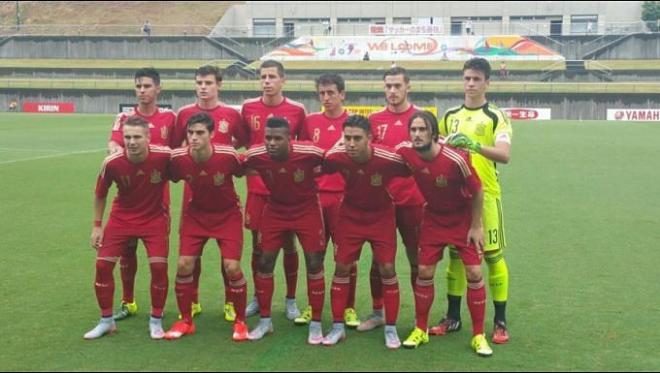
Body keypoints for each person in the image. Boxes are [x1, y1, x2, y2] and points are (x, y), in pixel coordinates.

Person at [396, 111, 492, 356]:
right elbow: (381, 157)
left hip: (462, 219)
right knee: (424, 270)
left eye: (422, 130)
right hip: (434, 219)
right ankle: (421, 329)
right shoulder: (405, 152)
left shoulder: (455, 158)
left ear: (434, 133)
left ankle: (478, 335)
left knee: (473, 272)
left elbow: (478, 190)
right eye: (413, 130)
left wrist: (476, 225)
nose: (417, 135)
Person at [434, 57, 513, 345]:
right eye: (467, 78)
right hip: (456, 197)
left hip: (486, 196)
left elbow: (505, 155)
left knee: (492, 257)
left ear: (487, 83)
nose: (470, 84)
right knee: (456, 256)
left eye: (476, 79)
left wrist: (475, 145)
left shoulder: (496, 117)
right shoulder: (450, 115)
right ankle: (453, 317)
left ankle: (500, 321)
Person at [322, 115, 408, 349]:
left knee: (387, 268)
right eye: (347, 138)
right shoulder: (337, 157)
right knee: (342, 267)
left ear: (370, 138)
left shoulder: (387, 158)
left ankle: (390, 327)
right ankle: (338, 326)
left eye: (357, 138)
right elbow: (318, 165)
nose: (351, 143)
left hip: (381, 217)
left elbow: (414, 167)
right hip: (350, 216)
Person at [173, 64, 248, 323]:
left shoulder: (230, 114)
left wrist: (223, 153)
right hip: (193, 190)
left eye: (208, 83)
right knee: (191, 254)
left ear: (219, 85)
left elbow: (244, 140)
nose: (203, 87)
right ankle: (191, 301)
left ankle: (231, 302)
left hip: (222, 184)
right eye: (199, 82)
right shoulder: (183, 113)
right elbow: (174, 147)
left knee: (227, 255)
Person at [164, 112, 248, 341]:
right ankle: (185, 320)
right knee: (184, 265)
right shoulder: (179, 158)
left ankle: (241, 322)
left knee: (232, 267)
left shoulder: (228, 155)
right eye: (190, 133)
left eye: (200, 133)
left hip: (227, 215)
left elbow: (247, 169)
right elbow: (165, 172)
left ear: (212, 134)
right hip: (196, 215)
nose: (194, 137)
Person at [85, 116, 170, 340]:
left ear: (148, 138)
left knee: (159, 268)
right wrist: (96, 226)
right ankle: (106, 321)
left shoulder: (164, 157)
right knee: (103, 266)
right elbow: (100, 194)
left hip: (154, 220)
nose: (131, 142)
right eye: (127, 137)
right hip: (121, 218)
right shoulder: (112, 162)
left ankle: (156, 321)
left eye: (137, 137)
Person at [243, 117, 327, 344]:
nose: (271, 143)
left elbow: (331, 161)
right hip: (275, 209)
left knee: (314, 263)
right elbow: (237, 166)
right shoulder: (256, 155)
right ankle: (265, 321)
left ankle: (317, 324)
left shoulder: (309, 152)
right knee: (264, 262)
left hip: (307, 209)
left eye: (277, 138)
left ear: (289, 139)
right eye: (268, 138)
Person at [107, 68, 177, 322]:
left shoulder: (170, 118)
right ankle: (128, 302)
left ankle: (162, 311)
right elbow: (114, 145)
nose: (142, 91)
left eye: (147, 86)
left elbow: (180, 149)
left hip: (158, 200)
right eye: (138, 86)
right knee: (127, 251)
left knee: (157, 259)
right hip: (128, 196)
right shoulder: (124, 118)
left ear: (159, 88)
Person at [241, 60, 307, 320]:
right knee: (258, 246)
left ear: (283, 80)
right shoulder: (247, 108)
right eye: (263, 77)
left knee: (289, 245)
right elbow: (241, 140)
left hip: (286, 190)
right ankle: (259, 296)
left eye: (271, 77)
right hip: (257, 189)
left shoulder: (297, 110)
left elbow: (303, 145)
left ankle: (290, 300)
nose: (266, 81)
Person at [360, 67, 425, 332]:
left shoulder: (421, 119)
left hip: (413, 201)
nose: (392, 91)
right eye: (388, 86)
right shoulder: (374, 120)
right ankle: (378, 312)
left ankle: (419, 320)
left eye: (397, 86)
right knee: (379, 260)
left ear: (408, 87)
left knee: (416, 260)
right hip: (381, 202)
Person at [295, 74, 359, 328]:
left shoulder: (354, 123)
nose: (326, 98)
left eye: (331, 93)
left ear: (342, 94)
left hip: (346, 198)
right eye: (321, 93)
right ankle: (314, 305)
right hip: (315, 198)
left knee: (346, 256)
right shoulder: (310, 122)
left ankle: (349, 308)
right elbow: (303, 158)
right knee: (314, 255)